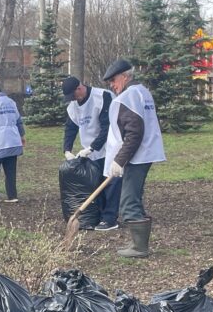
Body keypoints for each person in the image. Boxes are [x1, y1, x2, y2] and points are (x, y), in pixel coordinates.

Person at [102, 59, 165, 258]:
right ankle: (139, 242)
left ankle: (140, 247)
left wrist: (119, 160)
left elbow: (133, 133)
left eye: (113, 80)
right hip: (145, 152)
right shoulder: (142, 92)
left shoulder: (127, 98)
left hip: (137, 155)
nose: (112, 84)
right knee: (134, 197)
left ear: (125, 76)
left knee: (128, 202)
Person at [61, 75, 120, 230]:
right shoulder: (73, 106)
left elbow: (107, 127)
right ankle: (99, 215)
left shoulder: (102, 97)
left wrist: (93, 147)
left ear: (80, 88)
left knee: (111, 183)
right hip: (90, 152)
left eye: (73, 95)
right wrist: (67, 149)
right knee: (95, 184)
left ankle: (110, 218)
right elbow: (71, 127)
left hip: (109, 148)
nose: (73, 99)